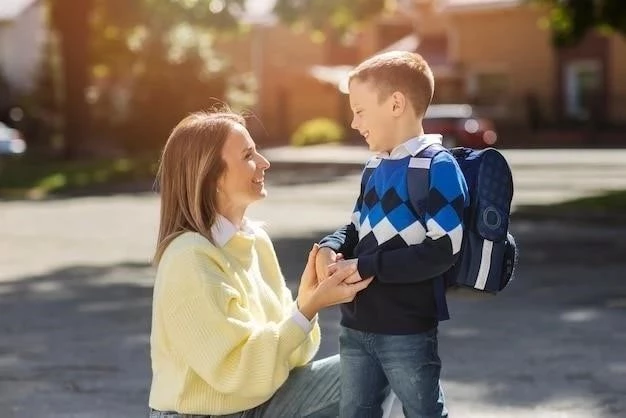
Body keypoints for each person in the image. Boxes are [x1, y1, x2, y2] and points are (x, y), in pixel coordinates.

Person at [148, 110, 373, 418]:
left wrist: (306, 304)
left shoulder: (255, 241)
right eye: (248, 155)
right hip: (204, 414)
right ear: (211, 176)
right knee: (378, 373)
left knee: (387, 368)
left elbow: (295, 357)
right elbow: (235, 373)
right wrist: (306, 310)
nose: (264, 163)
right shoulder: (189, 258)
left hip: (258, 402)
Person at [315, 51, 469, 418]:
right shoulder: (374, 167)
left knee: (423, 412)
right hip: (355, 325)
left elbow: (442, 250)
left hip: (406, 329)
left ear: (396, 103)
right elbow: (356, 226)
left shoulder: (437, 167)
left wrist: (365, 265)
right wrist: (330, 245)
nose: (354, 122)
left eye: (360, 110)